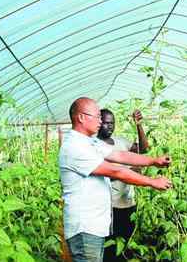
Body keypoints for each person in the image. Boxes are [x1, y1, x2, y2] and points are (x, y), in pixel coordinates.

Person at [59, 97, 172, 262]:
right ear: (81, 117)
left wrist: (154, 160)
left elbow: (119, 155)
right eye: (97, 116)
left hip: (94, 227)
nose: (100, 121)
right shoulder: (75, 147)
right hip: (85, 228)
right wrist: (152, 181)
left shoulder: (90, 143)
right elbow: (116, 171)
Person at [98, 109, 148, 262]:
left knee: (127, 242)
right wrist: (130, 171)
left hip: (128, 202)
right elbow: (102, 174)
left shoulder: (120, 141)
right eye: (106, 123)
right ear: (98, 123)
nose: (109, 126)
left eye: (112, 123)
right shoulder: (95, 145)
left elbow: (143, 149)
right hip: (108, 206)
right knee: (110, 246)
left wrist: (138, 125)